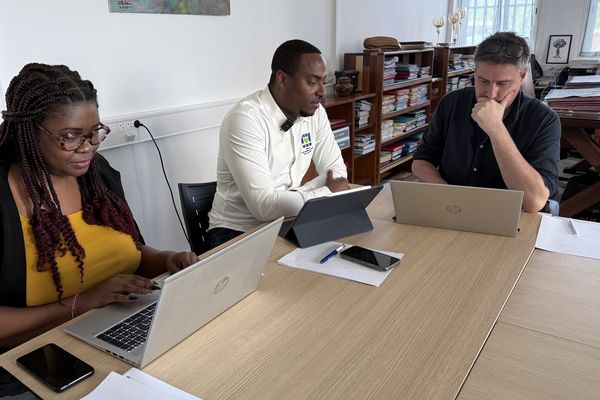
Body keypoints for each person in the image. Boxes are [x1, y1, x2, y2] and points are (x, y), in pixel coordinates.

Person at [0, 63, 197, 350]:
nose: (89, 146)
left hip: (124, 328)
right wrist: (83, 303)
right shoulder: (5, 198)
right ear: (28, 132)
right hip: (43, 354)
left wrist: (165, 259)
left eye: (95, 132)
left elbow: (131, 252)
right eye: (70, 136)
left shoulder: (97, 174)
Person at [206, 39, 349, 249]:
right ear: (282, 79)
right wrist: (325, 191)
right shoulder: (244, 119)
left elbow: (337, 174)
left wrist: (303, 196)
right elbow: (263, 207)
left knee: (341, 253)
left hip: (288, 220)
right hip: (235, 233)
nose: (322, 92)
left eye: (323, 82)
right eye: (312, 82)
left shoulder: (315, 114)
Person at [412, 31, 561, 212]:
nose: (491, 93)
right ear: (475, 72)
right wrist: (447, 193)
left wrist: (496, 129)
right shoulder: (451, 103)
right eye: (483, 81)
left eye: (503, 83)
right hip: (451, 209)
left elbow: (534, 202)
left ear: (522, 77)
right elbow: (421, 161)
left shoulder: (544, 120)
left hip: (508, 216)